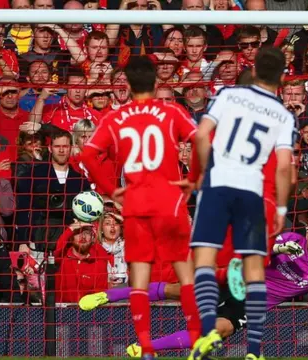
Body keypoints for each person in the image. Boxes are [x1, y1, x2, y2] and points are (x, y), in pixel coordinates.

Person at [80, 217, 308, 357]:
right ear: (307, 234)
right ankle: (106, 295)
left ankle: (146, 348)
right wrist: (277, 249)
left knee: (215, 332)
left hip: (250, 305)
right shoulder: (292, 241)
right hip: (236, 280)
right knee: (174, 290)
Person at [78, 55, 201, 360]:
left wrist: (111, 191)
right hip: (170, 202)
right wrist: (193, 179)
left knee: (140, 280)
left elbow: (89, 155)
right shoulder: (171, 110)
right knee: (186, 276)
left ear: (128, 84)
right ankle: (198, 341)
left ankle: (146, 348)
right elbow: (202, 140)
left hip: (136, 204)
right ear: (156, 81)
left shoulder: (115, 118)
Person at [187, 46, 296, 360]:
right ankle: (253, 351)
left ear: (254, 70)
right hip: (251, 191)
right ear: (283, 77)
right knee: (255, 273)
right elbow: (285, 166)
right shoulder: (283, 115)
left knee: (204, 263)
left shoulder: (228, 96)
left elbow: (201, 135)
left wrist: (204, 174)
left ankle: (208, 331)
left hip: (218, 186)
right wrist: (281, 209)